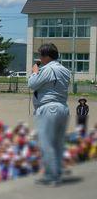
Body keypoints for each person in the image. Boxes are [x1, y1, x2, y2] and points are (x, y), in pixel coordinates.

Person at [28, 43, 70, 186]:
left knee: (47, 143)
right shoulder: (65, 70)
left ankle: (51, 176)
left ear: (46, 56)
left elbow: (32, 84)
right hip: (62, 107)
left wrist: (35, 71)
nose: (39, 58)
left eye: (40, 55)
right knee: (57, 144)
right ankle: (56, 174)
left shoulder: (48, 69)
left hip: (48, 108)